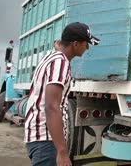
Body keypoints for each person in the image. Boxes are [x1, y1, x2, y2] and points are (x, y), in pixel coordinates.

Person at [24, 22, 100, 166]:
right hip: (46, 140)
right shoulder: (59, 63)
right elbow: (52, 107)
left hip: (42, 139)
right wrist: (62, 152)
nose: (88, 47)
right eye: (86, 43)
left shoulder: (52, 57)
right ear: (76, 44)